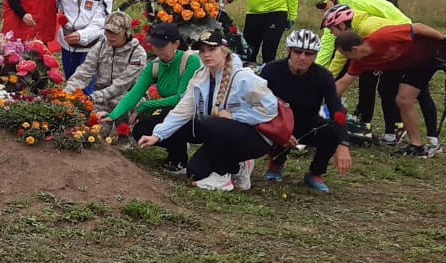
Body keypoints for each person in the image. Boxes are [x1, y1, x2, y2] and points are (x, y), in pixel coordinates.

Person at [334, 23, 446, 158]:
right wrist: (322, 99)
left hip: (439, 51)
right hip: (419, 64)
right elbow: (343, 83)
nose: (346, 59)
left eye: (345, 54)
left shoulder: (383, 37)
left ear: (354, 49)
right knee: (404, 99)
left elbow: (418, 27)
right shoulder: (360, 62)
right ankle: (417, 146)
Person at [138, 28, 280, 191]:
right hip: (218, 134)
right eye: (202, 50)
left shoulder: (243, 77)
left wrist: (235, 116)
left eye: (212, 49)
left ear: (224, 51)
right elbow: (183, 109)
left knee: (211, 123)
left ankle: (223, 175)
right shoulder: (200, 76)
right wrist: (157, 135)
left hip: (254, 138)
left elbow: (271, 108)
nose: (206, 55)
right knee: (195, 172)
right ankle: (239, 166)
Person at [308, 0, 413, 146]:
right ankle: (367, 124)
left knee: (388, 87)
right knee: (369, 83)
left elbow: (387, 14)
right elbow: (330, 46)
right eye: (318, 8)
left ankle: (397, 128)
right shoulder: (336, 17)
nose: (322, 11)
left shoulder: (357, 2)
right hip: (369, 45)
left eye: (322, 5)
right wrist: (317, 75)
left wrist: (404, 32)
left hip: (397, 34)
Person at [100, 21, 201, 173]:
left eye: (162, 45)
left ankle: (179, 158)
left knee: (169, 114)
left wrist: (146, 106)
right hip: (170, 110)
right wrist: (113, 115)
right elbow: (135, 93)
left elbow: (181, 98)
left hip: (195, 113)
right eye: (154, 44)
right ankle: (177, 146)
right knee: (140, 131)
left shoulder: (191, 61)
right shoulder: (154, 65)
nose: (157, 49)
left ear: (176, 44)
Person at [258, 29, 352, 194]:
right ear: (289, 51)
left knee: (331, 130)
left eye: (308, 54)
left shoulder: (324, 76)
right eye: (297, 52)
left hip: (307, 122)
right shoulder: (271, 70)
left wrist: (343, 143)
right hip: (276, 121)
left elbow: (336, 109)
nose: (302, 57)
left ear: (315, 55)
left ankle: (316, 173)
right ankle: (276, 162)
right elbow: (257, 104)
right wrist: (280, 132)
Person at [332, 0, 401, 143]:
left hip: (372, 39)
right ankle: (346, 118)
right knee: (342, 73)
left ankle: (369, 122)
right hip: (346, 36)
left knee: (369, 81)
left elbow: (391, 12)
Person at [63, 9, 147, 113]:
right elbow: (84, 72)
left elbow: (122, 84)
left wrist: (93, 98)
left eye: (115, 32)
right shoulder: (100, 46)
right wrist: (66, 93)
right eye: (107, 31)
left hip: (129, 98)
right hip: (102, 100)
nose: (110, 36)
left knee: (120, 120)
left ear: (126, 32)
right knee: (87, 121)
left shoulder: (137, 53)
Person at [56, 0, 113, 79]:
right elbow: (59, 7)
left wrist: (81, 35)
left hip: (92, 45)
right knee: (71, 81)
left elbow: (101, 23)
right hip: (68, 44)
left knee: (86, 83)